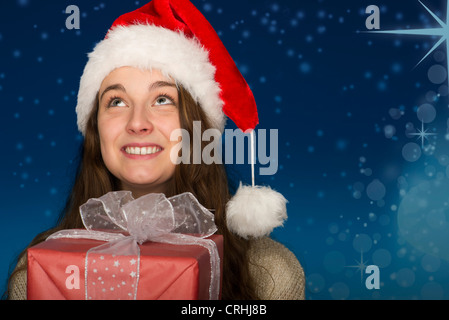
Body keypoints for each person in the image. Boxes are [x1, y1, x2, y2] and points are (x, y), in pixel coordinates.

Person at [7, 0, 305, 300]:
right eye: (116, 101)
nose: (137, 123)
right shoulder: (36, 270)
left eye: (162, 99)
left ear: (197, 126)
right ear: (96, 131)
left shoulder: (269, 273)